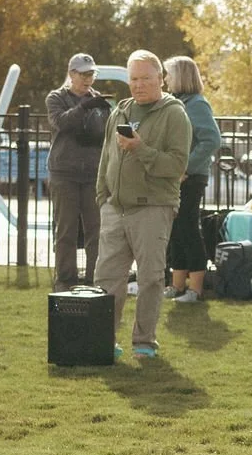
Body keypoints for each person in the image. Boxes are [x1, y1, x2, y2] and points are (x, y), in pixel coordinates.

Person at [95, 50, 192, 359]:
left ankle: (144, 343)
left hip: (152, 207)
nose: (137, 85)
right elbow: (106, 158)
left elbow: (176, 166)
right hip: (116, 208)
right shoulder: (119, 112)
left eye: (145, 79)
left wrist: (141, 149)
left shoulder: (174, 114)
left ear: (160, 79)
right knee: (107, 279)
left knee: (150, 278)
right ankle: (103, 342)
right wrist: (103, 199)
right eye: (133, 78)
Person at [45, 53, 110, 290]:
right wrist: (84, 107)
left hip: (93, 173)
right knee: (66, 231)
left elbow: (104, 135)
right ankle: (65, 280)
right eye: (83, 74)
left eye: (91, 74)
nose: (88, 79)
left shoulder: (99, 100)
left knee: (96, 230)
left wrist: (102, 113)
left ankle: (95, 280)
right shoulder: (56, 98)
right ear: (71, 74)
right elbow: (61, 122)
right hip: (64, 173)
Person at [161, 55, 223, 303]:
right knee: (176, 230)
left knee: (188, 229)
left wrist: (184, 168)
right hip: (178, 177)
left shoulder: (196, 104)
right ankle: (177, 286)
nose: (165, 79)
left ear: (182, 77)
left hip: (191, 177)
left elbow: (212, 140)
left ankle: (195, 289)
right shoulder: (177, 103)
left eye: (169, 74)